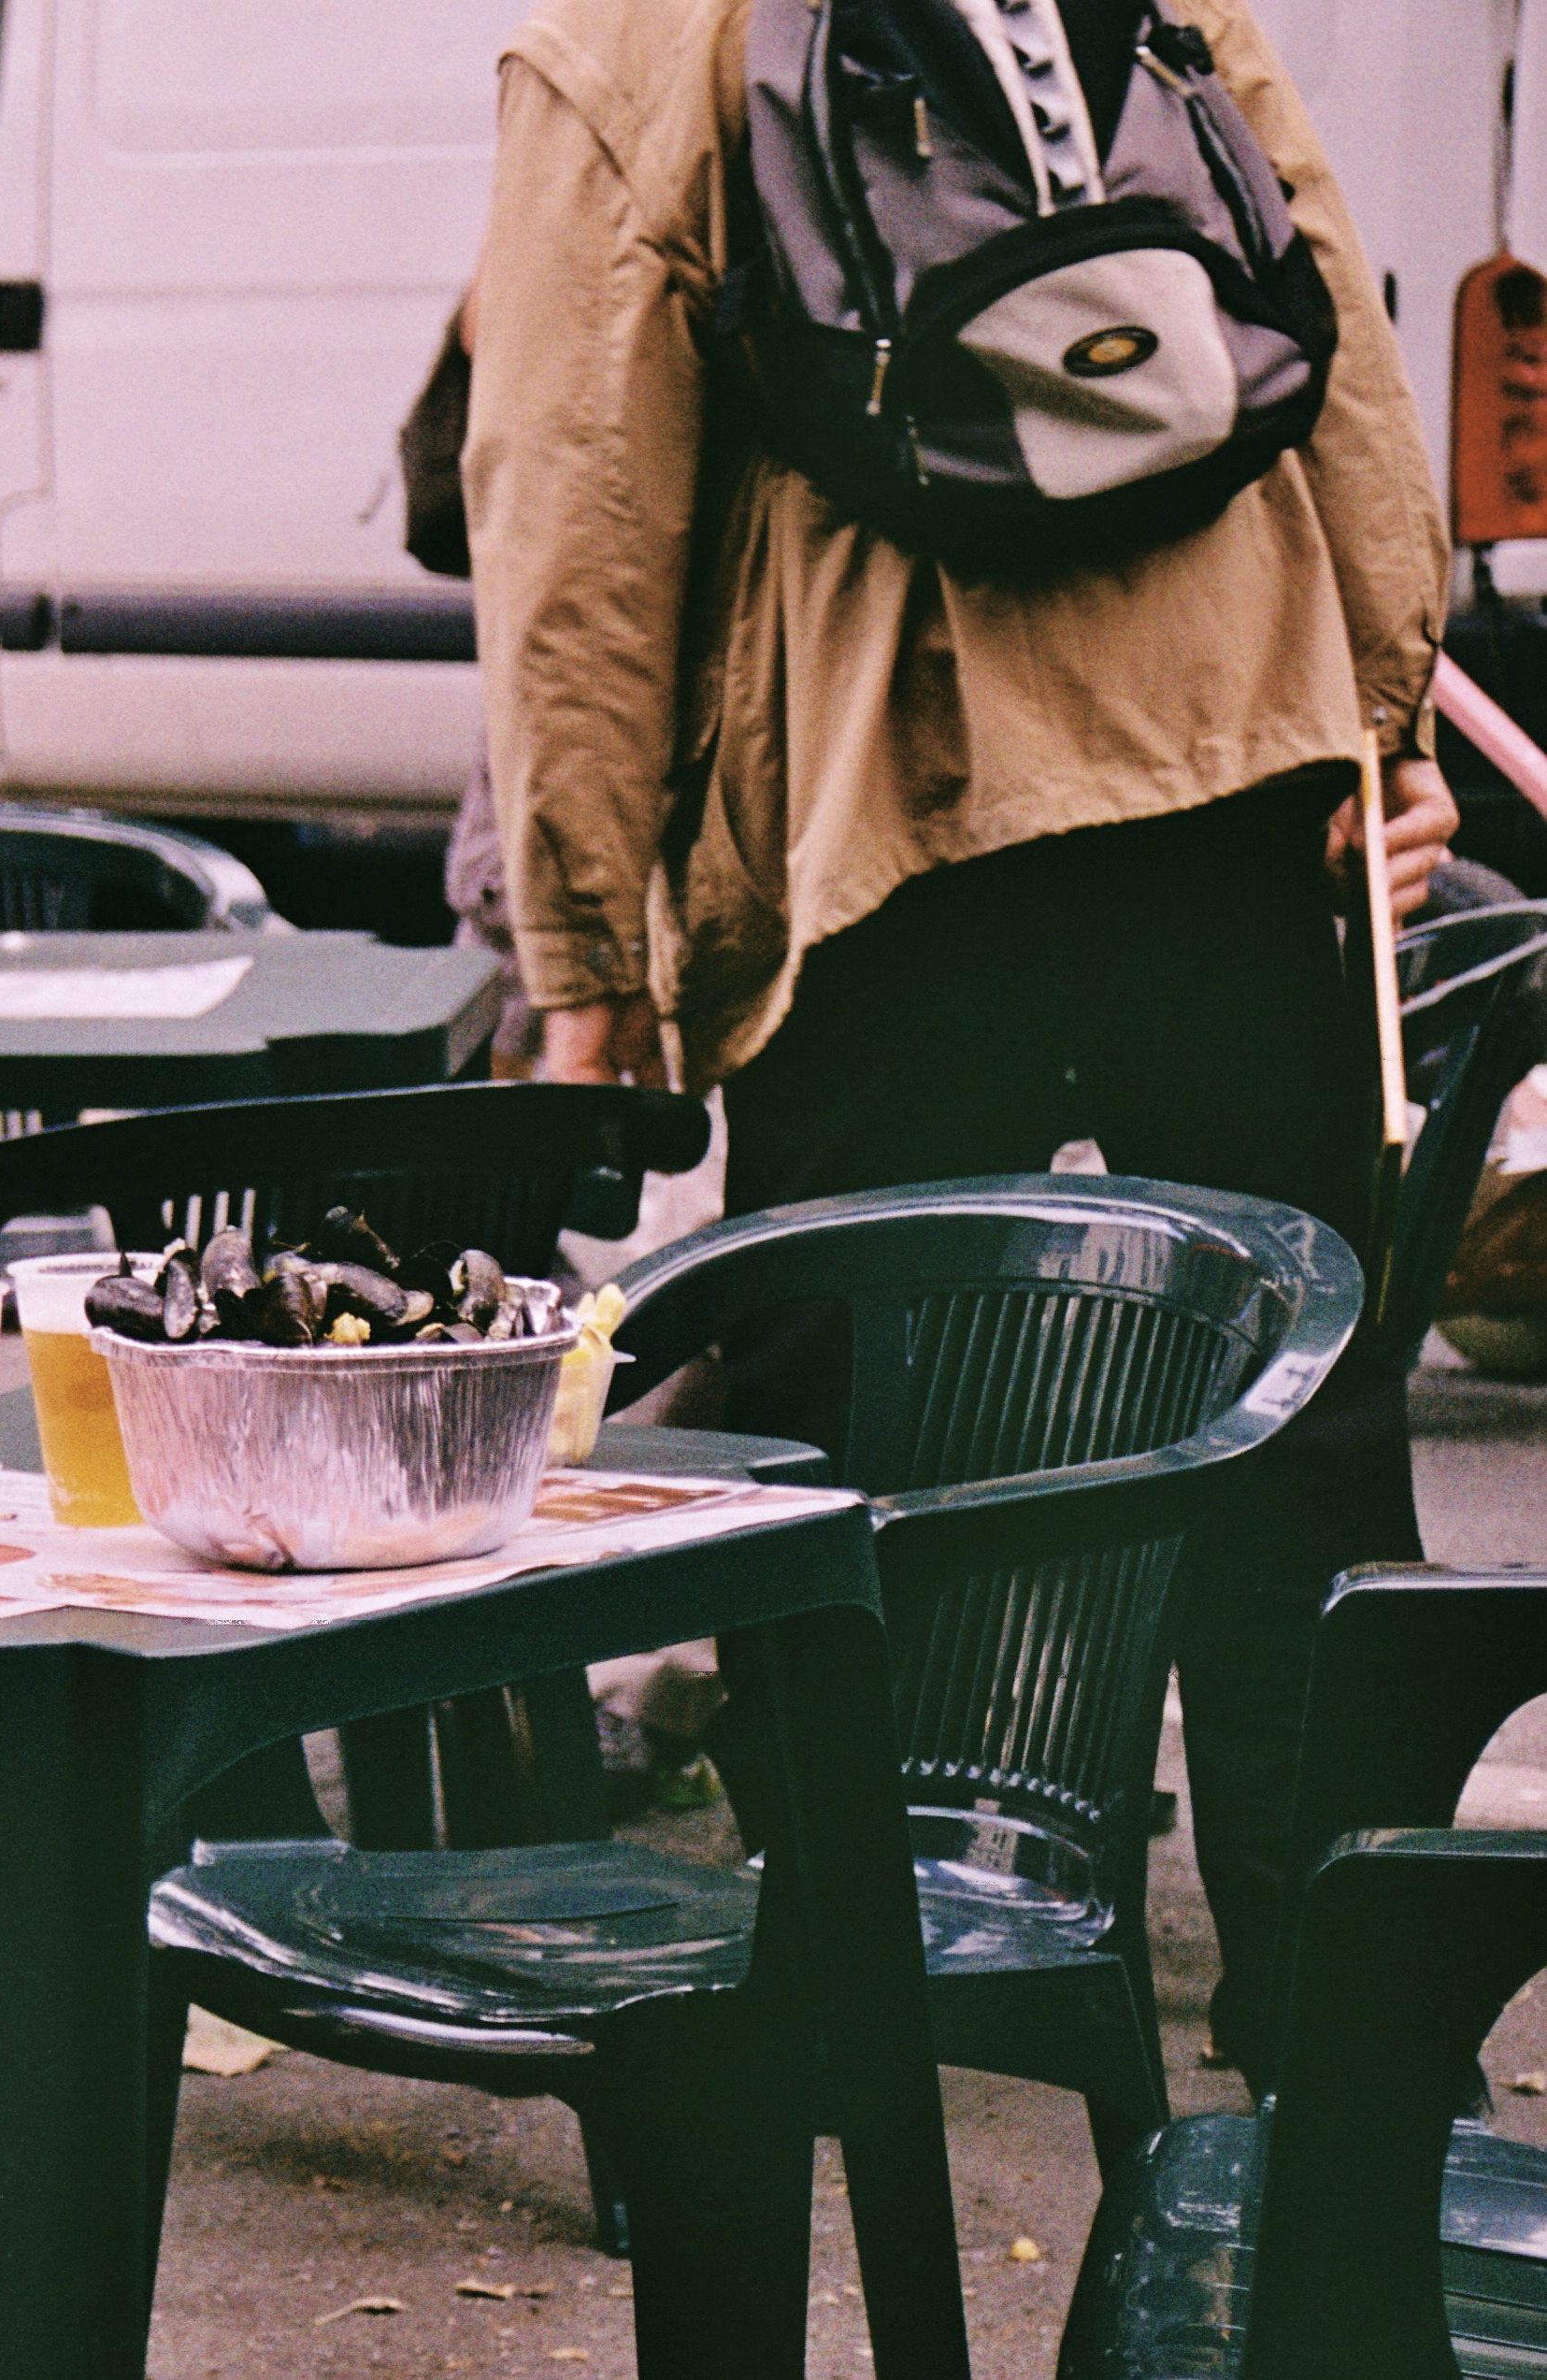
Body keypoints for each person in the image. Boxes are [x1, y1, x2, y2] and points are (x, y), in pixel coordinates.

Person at [471, 0, 1459, 2092]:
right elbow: (1330, 319)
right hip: (1231, 772)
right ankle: (1347, 2012)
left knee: (845, 1440)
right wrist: (1380, 705)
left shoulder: (624, 37)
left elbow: (574, 492)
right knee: (1298, 1409)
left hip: (892, 816)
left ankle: (854, 1985)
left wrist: (584, 941)